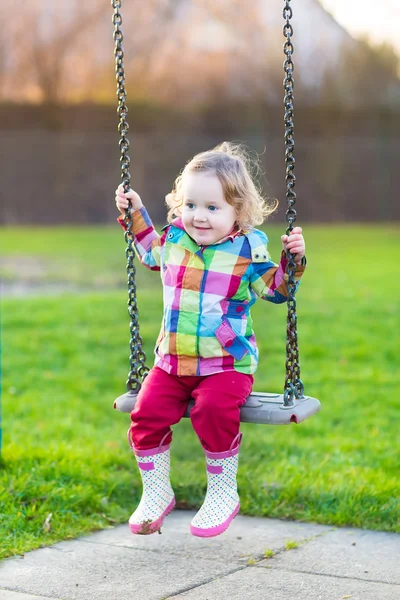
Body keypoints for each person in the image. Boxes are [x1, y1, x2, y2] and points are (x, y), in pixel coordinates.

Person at [115, 142, 306, 538]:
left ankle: (222, 492)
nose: (198, 216)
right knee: (145, 416)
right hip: (171, 361)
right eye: (190, 205)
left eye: (212, 208)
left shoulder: (247, 251)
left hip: (226, 364)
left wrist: (294, 260)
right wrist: (134, 214)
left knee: (213, 412)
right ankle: (155, 492)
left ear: (239, 211)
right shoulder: (175, 240)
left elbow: (278, 290)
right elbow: (149, 250)